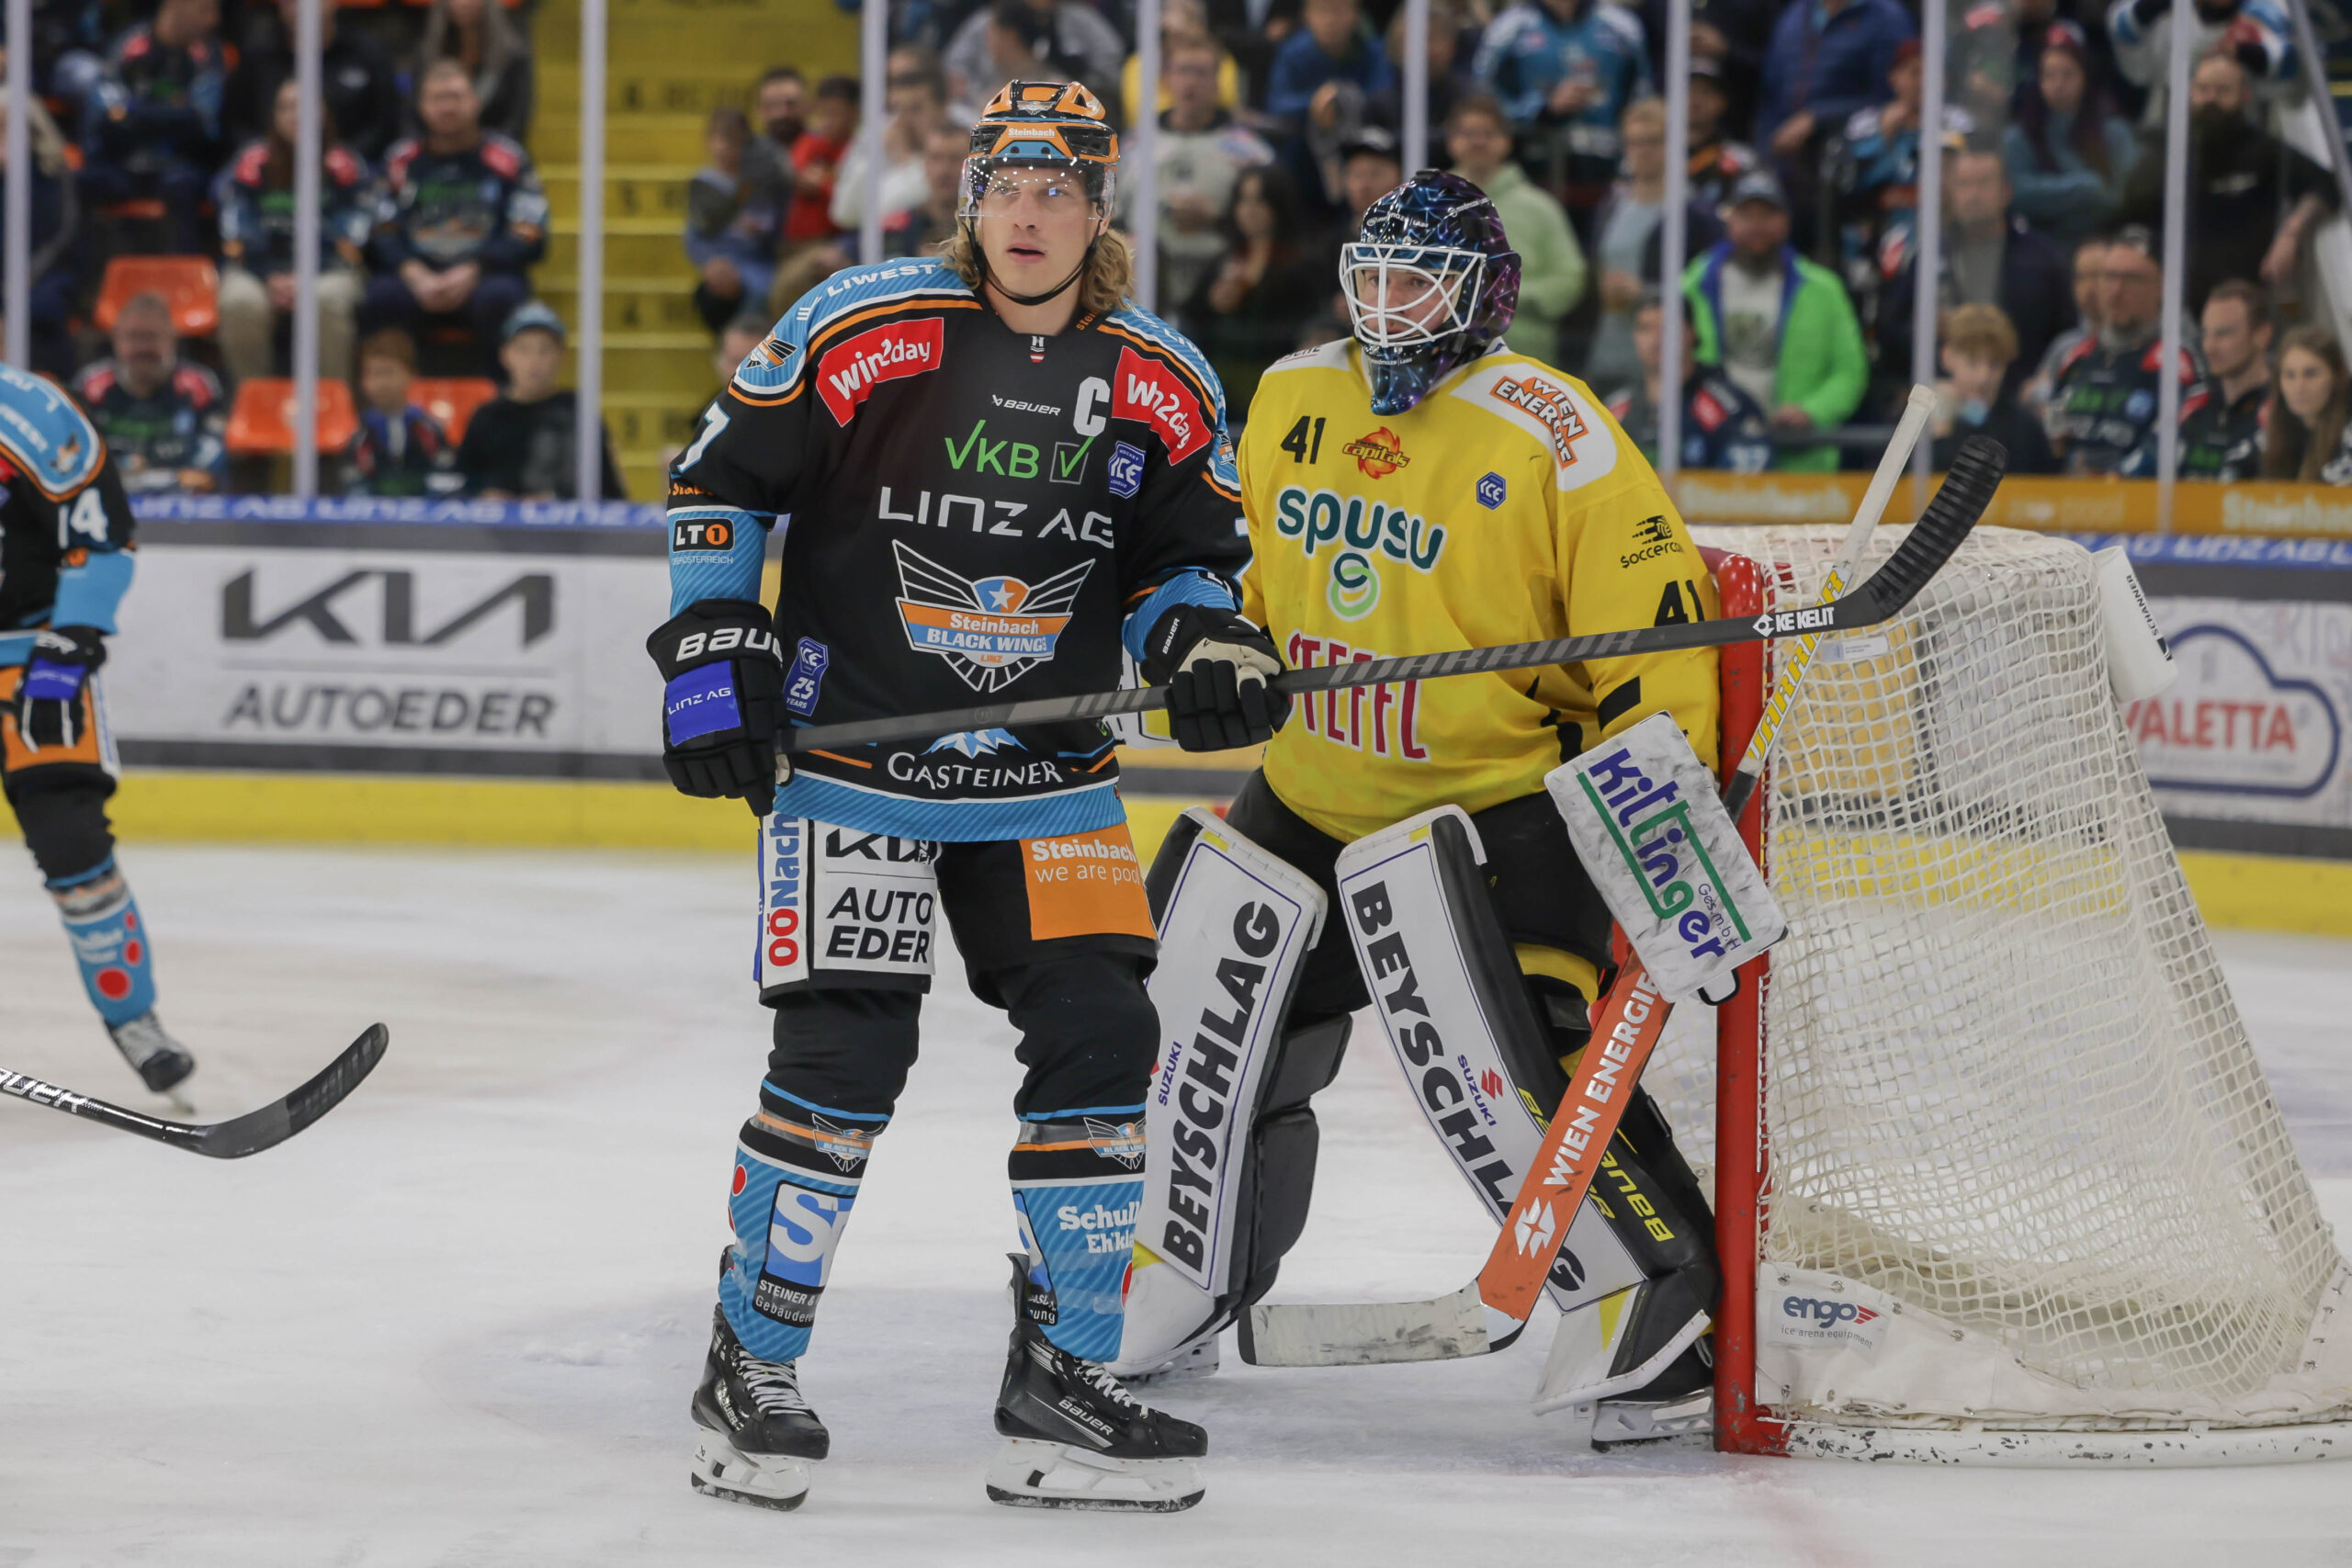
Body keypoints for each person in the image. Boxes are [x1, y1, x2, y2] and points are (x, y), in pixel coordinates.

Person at [661, 79, 1255, 1513]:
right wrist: (714, 646)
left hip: (1052, 786)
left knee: (1104, 1032)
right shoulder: (861, 324)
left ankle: (1066, 1377)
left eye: (1060, 190)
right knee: (844, 1058)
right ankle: (751, 1366)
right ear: (970, 200)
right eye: (1007, 187)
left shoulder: (1163, 376)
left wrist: (1204, 644)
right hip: (855, 771)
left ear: (1101, 209)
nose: (1029, 213)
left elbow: (1186, 562)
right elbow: (717, 483)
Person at [1120, 167, 1724, 1449]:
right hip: (1312, 792)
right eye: (1374, 278)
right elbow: (1242, 582)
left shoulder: (1554, 430)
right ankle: (1177, 1269)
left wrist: (1667, 847)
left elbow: (1657, 641)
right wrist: (1217, 650)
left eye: (1420, 283)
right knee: (1188, 1022)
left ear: (1484, 294)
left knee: (1504, 1057)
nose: (1389, 307)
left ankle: (1660, 1296)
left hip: (1496, 809)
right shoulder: (1292, 393)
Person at [0, 361, 196, 1094]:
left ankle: (134, 1020)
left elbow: (101, 538)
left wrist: (66, 650)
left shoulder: (26, 412)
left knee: (71, 838)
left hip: (29, 650)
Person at [2115, 51, 2336, 316]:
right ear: (2190, 92)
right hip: (2172, 307)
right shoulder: (2164, 155)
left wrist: (2291, 234)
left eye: (2223, 90)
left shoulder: (2263, 151)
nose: (2211, 99)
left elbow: (2325, 185)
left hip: (2245, 305)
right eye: (2203, 89)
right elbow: (2130, 219)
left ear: (2244, 95)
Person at [1682, 170, 1868, 471]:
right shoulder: (1692, 285)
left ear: (1785, 221)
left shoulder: (1823, 290)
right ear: (1729, 219)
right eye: (1747, 215)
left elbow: (1850, 370)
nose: (1757, 226)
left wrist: (1812, 411)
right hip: (1712, 455)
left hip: (1800, 458)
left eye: (1767, 215)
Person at [362, 61, 548, 360]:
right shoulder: (400, 160)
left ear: (475, 102)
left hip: (485, 274)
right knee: (383, 296)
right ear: (421, 107)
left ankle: (501, 388)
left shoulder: (508, 158)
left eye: (456, 97)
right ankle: (387, 390)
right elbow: (379, 229)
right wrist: (413, 272)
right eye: (437, 99)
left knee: (502, 296)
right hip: (414, 274)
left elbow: (530, 231)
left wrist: (475, 268)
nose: (447, 107)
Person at [1877, 146, 2076, 400]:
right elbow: (1893, 333)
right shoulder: (1928, 257)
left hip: (2019, 401)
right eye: (1963, 184)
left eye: (1983, 183)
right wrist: (1925, 328)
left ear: (2006, 191)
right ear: (1950, 192)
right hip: (1944, 401)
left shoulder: (2044, 259)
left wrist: (2043, 381)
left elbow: (2066, 333)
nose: (1973, 194)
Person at [216, 81, 373, 384]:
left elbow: (353, 232)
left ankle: (332, 398)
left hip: (329, 270)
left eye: (305, 106)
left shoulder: (346, 165)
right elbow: (236, 227)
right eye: (285, 107)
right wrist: (270, 273)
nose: (295, 115)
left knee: (326, 300)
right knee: (239, 302)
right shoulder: (251, 163)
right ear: (274, 116)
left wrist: (306, 275)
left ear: (324, 113)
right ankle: (252, 398)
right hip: (259, 270)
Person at [1116, 32, 1273, 314]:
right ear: (1166, 79)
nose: (1191, 82)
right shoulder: (1133, 146)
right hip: (1148, 277)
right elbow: (1111, 218)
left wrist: (1217, 220)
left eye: (1201, 73)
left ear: (1217, 83)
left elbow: (1270, 230)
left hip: (1221, 278)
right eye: (1183, 71)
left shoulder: (1251, 152)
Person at [1472, 0, 1651, 220]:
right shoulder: (1508, 28)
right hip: (1533, 171)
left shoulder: (1622, 26)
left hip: (1609, 176)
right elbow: (1483, 101)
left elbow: (1644, 101)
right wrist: (1542, 108)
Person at [2044, 225, 2202, 473]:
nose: (2117, 291)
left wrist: (2114, 476)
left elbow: (2171, 446)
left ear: (2162, 287)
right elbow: (2052, 440)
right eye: (2109, 277)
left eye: (2132, 279)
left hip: (2136, 494)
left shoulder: (2175, 361)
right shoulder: (2075, 358)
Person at [79, 0, 228, 253]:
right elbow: (107, 114)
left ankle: (182, 274)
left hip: (180, 164)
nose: (214, 20)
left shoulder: (209, 53)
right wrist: (173, 113)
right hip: (124, 162)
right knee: (78, 183)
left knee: (182, 186)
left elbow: (202, 122)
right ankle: (85, 276)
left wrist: (134, 112)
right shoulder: (130, 44)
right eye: (205, 9)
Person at [1447, 93, 1585, 364]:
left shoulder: (1541, 208)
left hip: (1523, 359)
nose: (1478, 141)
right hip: (1445, 359)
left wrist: (1508, 294)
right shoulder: (1427, 206)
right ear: (1451, 141)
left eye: (1488, 133)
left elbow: (1570, 279)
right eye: (1468, 133)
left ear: (1506, 141)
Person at [1184, 164, 1328, 412]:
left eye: (1259, 201)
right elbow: (1191, 317)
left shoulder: (1301, 263)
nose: (1249, 210)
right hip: (1221, 391)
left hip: (1277, 388)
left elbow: (1306, 325)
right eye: (1243, 200)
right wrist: (1211, 302)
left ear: (1277, 205)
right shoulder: (1223, 260)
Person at [1833, 39, 1973, 290]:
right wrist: (1883, 140)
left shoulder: (1959, 124)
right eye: (1915, 72)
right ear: (1893, 78)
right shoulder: (1864, 126)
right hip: (1878, 241)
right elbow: (1846, 188)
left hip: (1943, 243)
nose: (1924, 82)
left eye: (1933, 73)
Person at [455, 302, 626, 500]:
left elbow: (609, 488)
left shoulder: (577, 413)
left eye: (544, 350)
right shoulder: (487, 416)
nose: (534, 361)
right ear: (505, 355)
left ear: (561, 355)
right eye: (523, 350)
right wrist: (484, 496)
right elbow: (461, 482)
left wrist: (555, 500)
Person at [72, 293, 227, 496]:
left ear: (172, 338)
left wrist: (177, 478)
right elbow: (74, 454)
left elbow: (215, 452)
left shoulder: (199, 385)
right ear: (116, 339)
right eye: (133, 337)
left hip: (182, 501)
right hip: (111, 498)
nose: (143, 347)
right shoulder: (90, 386)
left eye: (151, 336)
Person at [1606, 288, 1775, 471]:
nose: (1656, 339)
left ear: (1691, 333)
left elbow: (1750, 480)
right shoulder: (1615, 412)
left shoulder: (1729, 407)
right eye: (1645, 328)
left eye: (1668, 327)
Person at [2002, 22, 2137, 244]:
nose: (2058, 84)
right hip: (2038, 244)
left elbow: (2126, 193)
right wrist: (2084, 188)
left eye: (2067, 75)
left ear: (2085, 77)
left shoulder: (2114, 130)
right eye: (2049, 75)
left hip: (2105, 241)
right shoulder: (2019, 136)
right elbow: (2014, 191)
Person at [220, 0, 401, 164]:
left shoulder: (367, 53)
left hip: (354, 168)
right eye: (290, 2)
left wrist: (348, 157)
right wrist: (261, 155)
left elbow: (385, 121)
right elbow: (235, 120)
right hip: (269, 169)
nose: (298, 7)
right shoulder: (258, 55)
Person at [1753, 0, 1914, 181]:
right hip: (1785, 164)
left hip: (1853, 165)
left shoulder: (1886, 17)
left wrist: (1817, 117)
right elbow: (1769, 91)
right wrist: (1765, 151)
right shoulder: (1795, 14)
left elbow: (1891, 98)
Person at [2148, 279, 2273, 480]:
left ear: (2262, 336)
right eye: (2205, 334)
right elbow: (2144, 463)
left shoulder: (2284, 408)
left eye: (2223, 334)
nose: (2209, 347)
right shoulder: (2193, 401)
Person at [0, 76, 82, 376]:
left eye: (5, 127)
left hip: (44, 273)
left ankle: (55, 381)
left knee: (39, 306)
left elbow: (62, 233)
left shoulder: (52, 173)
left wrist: (27, 274)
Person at [2108, 0, 2295, 123]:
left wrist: (2240, 53)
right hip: (2169, 132)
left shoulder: (2262, 11)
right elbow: (2123, 31)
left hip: (2242, 135)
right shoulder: (2165, 14)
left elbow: (2287, 61)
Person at [686, 106, 784, 333]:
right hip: (719, 260)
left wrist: (761, 229)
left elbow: (773, 226)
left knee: (762, 292)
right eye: (718, 139)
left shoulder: (758, 184)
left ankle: (749, 343)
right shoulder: (703, 183)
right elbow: (694, 235)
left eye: (732, 141)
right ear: (708, 142)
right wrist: (711, 261)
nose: (724, 148)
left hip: (757, 262)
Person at [831, 50, 950, 234]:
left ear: (941, 108)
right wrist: (876, 155)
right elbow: (843, 214)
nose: (905, 120)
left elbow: (892, 209)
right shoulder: (879, 132)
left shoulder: (961, 136)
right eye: (898, 109)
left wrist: (907, 161)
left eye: (916, 108)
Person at [1931, 302, 2060, 473]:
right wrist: (1941, 429)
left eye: (1994, 364)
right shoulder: (1921, 421)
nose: (1983, 377)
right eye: (1972, 362)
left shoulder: (2025, 429)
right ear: (1947, 357)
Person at [343, 327, 461, 497]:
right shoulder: (360, 435)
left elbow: (444, 478)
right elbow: (355, 487)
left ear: (411, 375)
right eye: (373, 374)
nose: (381, 384)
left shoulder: (428, 429)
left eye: (388, 372)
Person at [944, 0, 1124, 106]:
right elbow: (953, 72)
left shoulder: (1059, 90)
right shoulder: (988, 19)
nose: (988, 43)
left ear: (1009, 37)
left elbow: (1111, 59)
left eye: (991, 36)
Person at [418, 0, 534, 142]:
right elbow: (412, 115)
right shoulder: (427, 53)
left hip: (495, 146)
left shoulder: (513, 56)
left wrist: (491, 149)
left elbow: (517, 118)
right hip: (436, 148)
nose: (464, 3)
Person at [2022, 232, 2108, 417]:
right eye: (2081, 277)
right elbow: (2032, 396)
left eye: (2097, 275)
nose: (2088, 288)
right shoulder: (2065, 347)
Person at [2258, 325, 2352, 484]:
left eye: (2310, 374)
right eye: (2290, 375)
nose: (2299, 387)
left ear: (2336, 376)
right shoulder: (2272, 433)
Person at [784, 75, 857, 248]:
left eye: (835, 113)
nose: (827, 121)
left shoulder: (858, 149)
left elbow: (848, 197)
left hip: (840, 238)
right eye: (822, 113)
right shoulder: (809, 143)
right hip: (801, 241)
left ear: (854, 112)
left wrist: (825, 183)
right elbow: (800, 177)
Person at [1684, 54, 1758, 209]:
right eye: (1688, 90)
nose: (1695, 100)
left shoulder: (1741, 159)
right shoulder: (1655, 154)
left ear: (1722, 102)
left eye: (1706, 92)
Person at [883, 125, 967, 258]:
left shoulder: (982, 228)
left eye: (955, 159)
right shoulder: (900, 228)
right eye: (936, 158)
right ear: (925, 163)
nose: (944, 170)